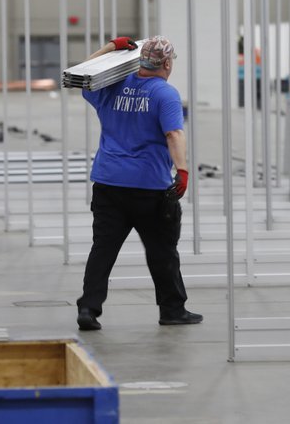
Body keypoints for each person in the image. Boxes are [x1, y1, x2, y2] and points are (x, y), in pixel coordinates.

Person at [76, 35, 203, 331]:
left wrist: (110, 48)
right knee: (162, 250)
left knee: (103, 249)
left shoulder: (111, 86)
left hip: (108, 183)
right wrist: (182, 171)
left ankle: (88, 309)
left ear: (138, 60)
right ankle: (172, 310)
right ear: (168, 63)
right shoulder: (165, 94)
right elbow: (174, 134)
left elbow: (84, 73)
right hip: (149, 187)